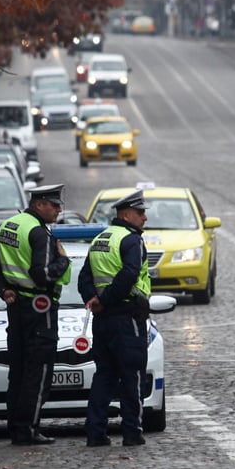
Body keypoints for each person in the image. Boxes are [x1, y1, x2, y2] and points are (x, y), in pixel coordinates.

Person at [0, 184, 71, 445]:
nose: (58, 210)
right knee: (39, 372)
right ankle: (28, 429)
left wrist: (4, 290)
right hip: (39, 309)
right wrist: (64, 261)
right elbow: (41, 275)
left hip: (17, 307)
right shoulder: (38, 232)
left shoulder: (8, 226)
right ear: (40, 204)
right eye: (54, 205)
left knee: (19, 371)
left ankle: (16, 427)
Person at [79, 189, 152, 448]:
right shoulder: (131, 240)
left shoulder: (100, 238)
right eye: (140, 212)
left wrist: (93, 300)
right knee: (132, 375)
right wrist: (106, 299)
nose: (144, 217)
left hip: (103, 321)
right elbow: (130, 275)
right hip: (126, 317)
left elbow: (84, 278)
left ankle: (95, 433)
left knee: (104, 376)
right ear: (125, 214)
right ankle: (132, 433)